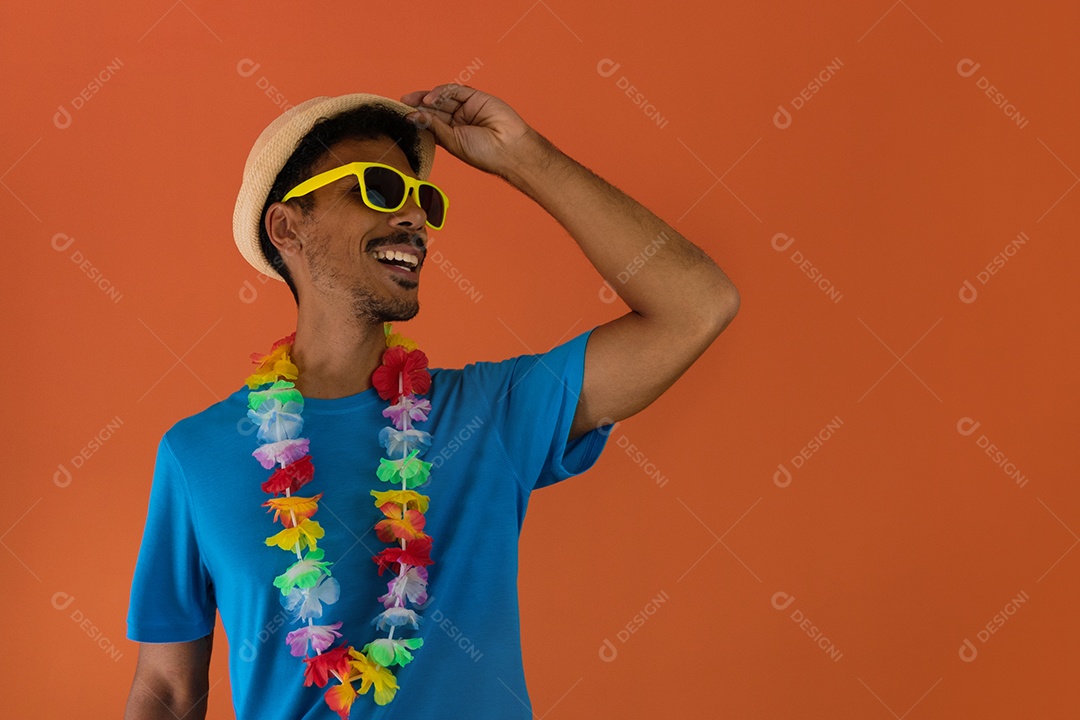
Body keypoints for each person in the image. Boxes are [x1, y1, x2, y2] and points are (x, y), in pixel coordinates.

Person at [123, 85, 739, 719]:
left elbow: (697, 306)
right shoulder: (196, 454)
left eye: (424, 201)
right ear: (288, 226)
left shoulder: (488, 413)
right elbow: (169, 693)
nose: (415, 218)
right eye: (380, 191)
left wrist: (523, 157)